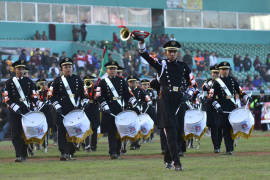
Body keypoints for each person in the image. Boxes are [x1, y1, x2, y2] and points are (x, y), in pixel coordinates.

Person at [137, 38, 191, 171]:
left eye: (174, 51)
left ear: (177, 53)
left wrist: (188, 93)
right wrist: (141, 43)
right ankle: (177, 163)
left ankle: (167, 159)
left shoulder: (183, 66)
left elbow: (191, 84)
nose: (172, 54)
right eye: (169, 51)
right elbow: (146, 56)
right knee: (170, 131)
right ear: (166, 53)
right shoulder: (161, 64)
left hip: (179, 101)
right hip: (165, 101)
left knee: (177, 134)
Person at [97, 61, 137, 159]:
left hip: (120, 109)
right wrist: (104, 105)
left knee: (120, 131)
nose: (113, 71)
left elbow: (127, 94)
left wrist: (132, 100)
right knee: (111, 132)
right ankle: (112, 152)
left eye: (114, 69)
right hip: (109, 109)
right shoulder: (102, 82)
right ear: (107, 70)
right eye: (110, 69)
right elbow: (98, 95)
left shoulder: (121, 81)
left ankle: (118, 151)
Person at [50, 57, 89, 161]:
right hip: (62, 111)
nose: (68, 68)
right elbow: (51, 96)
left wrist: (84, 103)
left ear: (73, 68)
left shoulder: (78, 80)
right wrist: (57, 106)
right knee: (62, 132)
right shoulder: (56, 81)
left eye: (70, 66)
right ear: (61, 69)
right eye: (65, 67)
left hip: (74, 110)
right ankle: (63, 153)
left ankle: (71, 153)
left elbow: (84, 95)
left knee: (73, 132)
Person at [4, 59, 40, 162]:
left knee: (25, 133)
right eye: (18, 68)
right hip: (14, 111)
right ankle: (18, 155)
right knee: (16, 133)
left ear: (24, 70)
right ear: (15, 70)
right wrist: (15, 107)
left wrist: (36, 105)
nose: (20, 70)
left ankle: (24, 154)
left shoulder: (29, 82)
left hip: (26, 111)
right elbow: (6, 98)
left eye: (22, 68)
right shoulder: (9, 82)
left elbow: (34, 96)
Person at [211, 61, 250, 155]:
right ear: (219, 70)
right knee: (224, 129)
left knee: (230, 130)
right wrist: (218, 107)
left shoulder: (233, 80)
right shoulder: (216, 83)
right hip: (222, 110)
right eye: (223, 69)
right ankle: (225, 148)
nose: (225, 71)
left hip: (232, 109)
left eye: (227, 69)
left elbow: (240, 91)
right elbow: (211, 97)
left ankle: (229, 149)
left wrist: (246, 97)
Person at [202, 65, 222, 153]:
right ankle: (216, 146)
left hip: (221, 106)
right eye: (214, 73)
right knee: (214, 127)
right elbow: (203, 89)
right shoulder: (208, 81)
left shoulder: (223, 82)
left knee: (220, 127)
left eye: (217, 73)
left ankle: (219, 145)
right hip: (211, 107)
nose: (215, 74)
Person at [83, 75, 100, 152]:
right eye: (87, 80)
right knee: (86, 127)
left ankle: (94, 145)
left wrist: (94, 99)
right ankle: (86, 145)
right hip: (86, 109)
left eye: (90, 80)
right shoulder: (83, 88)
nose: (89, 82)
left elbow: (99, 97)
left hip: (94, 108)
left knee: (94, 128)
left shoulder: (96, 88)